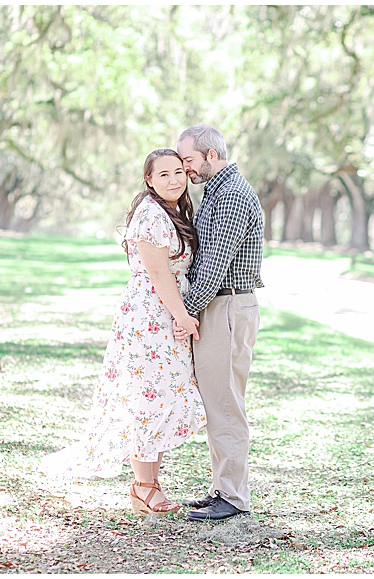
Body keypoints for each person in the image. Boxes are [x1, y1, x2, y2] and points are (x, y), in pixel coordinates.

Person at [40, 149, 206, 515]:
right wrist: (183, 317)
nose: (174, 180)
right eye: (164, 174)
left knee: (161, 396)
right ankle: (144, 487)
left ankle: (147, 486)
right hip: (151, 316)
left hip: (164, 312)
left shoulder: (171, 212)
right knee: (148, 398)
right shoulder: (150, 216)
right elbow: (160, 274)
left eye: (178, 172)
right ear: (148, 180)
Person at [173, 124, 264, 522]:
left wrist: (187, 312)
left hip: (227, 307)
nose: (184, 169)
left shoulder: (231, 196)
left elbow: (212, 268)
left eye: (189, 160)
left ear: (211, 155)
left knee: (226, 404)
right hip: (218, 305)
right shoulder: (215, 192)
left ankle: (234, 496)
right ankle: (223, 488)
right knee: (218, 402)